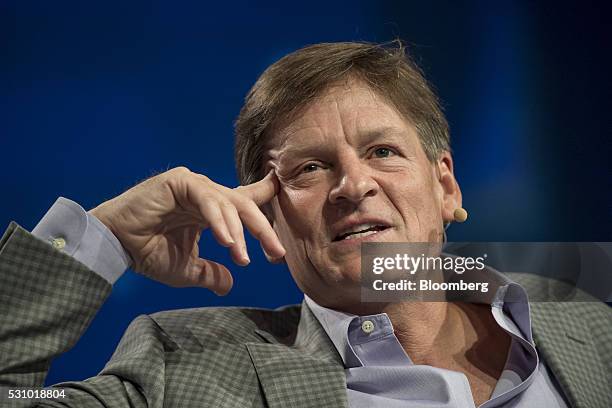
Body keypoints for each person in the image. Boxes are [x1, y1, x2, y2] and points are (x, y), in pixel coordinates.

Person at [0, 41, 610, 408]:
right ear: (268, 220)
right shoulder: (181, 370)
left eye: (383, 152)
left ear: (446, 186)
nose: (353, 186)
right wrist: (102, 238)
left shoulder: (594, 326)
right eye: (311, 168)